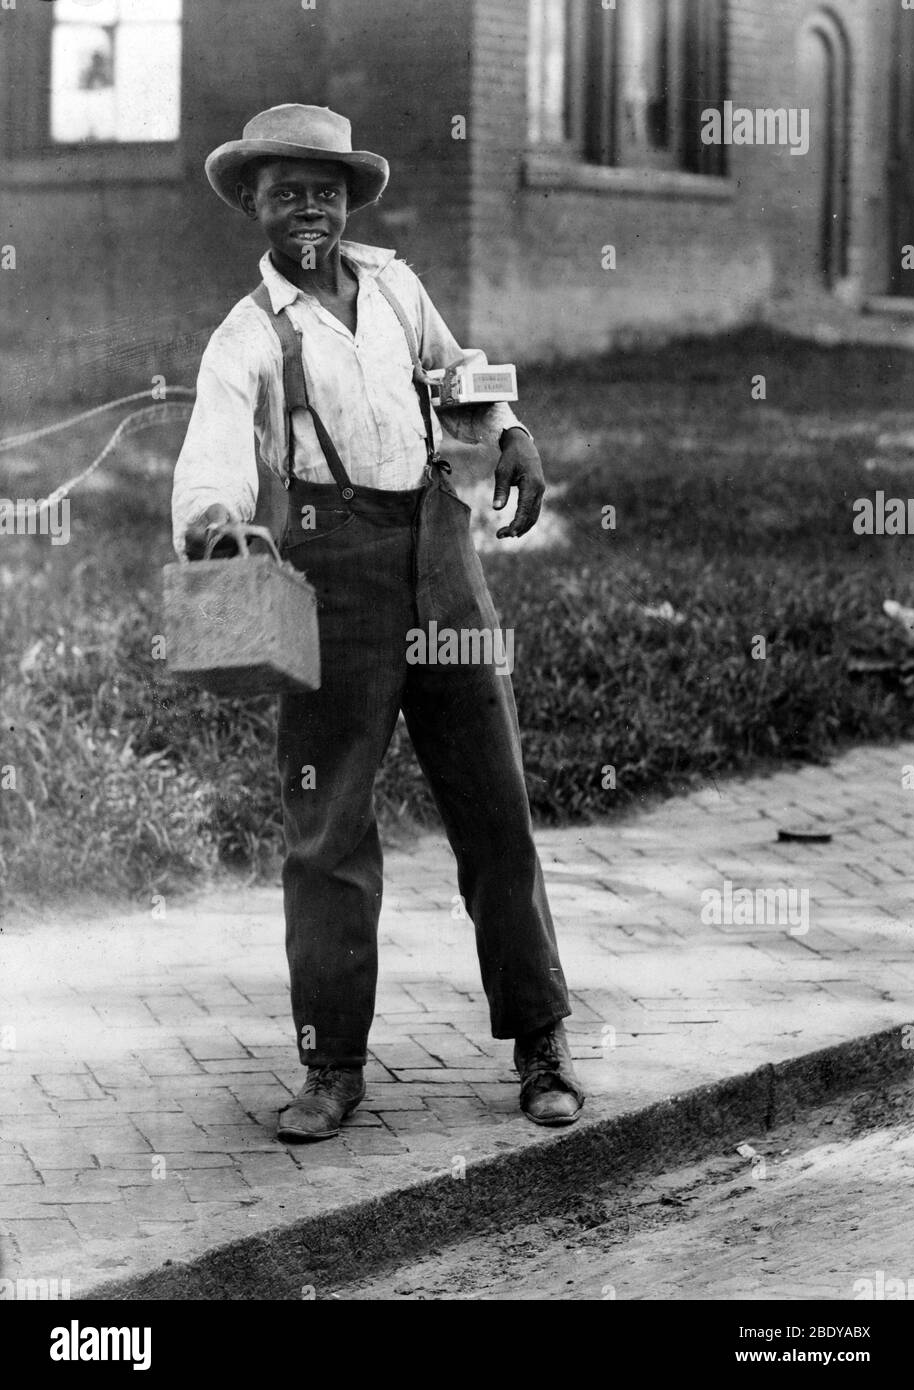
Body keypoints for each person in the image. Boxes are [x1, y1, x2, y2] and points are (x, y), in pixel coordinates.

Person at [171, 105, 584, 1142]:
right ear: (252, 207)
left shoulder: (397, 286)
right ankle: (331, 1068)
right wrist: (217, 517)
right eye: (284, 190)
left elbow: (458, 375)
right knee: (328, 836)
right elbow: (215, 448)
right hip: (332, 591)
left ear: (348, 201)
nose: (307, 206)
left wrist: (510, 431)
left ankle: (541, 1047)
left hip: (443, 571)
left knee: (496, 814)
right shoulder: (246, 335)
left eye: (324, 188)